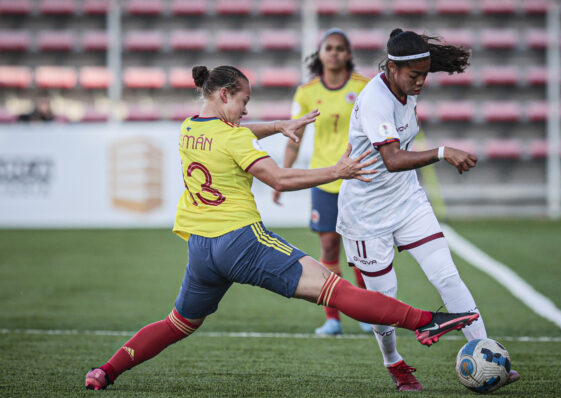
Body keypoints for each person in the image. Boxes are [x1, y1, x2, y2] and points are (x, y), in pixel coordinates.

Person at [84, 65, 479, 390]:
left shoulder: (189, 129)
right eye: (243, 102)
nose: (244, 110)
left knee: (177, 323)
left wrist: (274, 125)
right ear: (224, 95)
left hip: (201, 251)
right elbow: (280, 179)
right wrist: (338, 171)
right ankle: (426, 322)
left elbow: (232, 132)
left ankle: (107, 370)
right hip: (241, 242)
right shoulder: (235, 140)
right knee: (335, 290)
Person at [336, 29, 521, 392]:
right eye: (414, 75)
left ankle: (486, 352)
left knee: (447, 276)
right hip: (366, 214)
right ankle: (395, 363)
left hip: (406, 202)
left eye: (425, 75)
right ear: (391, 68)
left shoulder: (403, 88)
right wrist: (442, 152)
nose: (421, 82)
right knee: (384, 301)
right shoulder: (376, 98)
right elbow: (390, 159)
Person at [273, 28, 371, 335]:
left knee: (361, 252)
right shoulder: (306, 91)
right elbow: (294, 137)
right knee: (329, 251)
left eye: (340, 48)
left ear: (349, 54)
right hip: (324, 179)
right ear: (320, 53)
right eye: (329, 47)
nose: (334, 53)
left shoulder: (365, 87)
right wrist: (281, 177)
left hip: (358, 179)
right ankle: (332, 318)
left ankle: (366, 314)